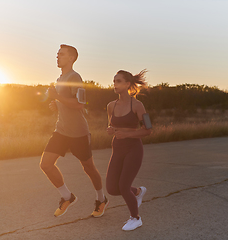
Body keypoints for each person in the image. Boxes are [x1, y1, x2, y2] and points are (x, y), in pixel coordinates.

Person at [40, 44, 108, 218]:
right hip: (61, 130)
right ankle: (67, 196)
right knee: (46, 164)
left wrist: (56, 97)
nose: (57, 57)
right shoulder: (60, 78)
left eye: (61, 54)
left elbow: (80, 104)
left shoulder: (75, 77)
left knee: (89, 168)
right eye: (57, 54)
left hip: (78, 132)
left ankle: (101, 199)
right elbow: (66, 101)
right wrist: (57, 104)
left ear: (71, 58)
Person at [106, 69, 152, 231]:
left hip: (133, 149)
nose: (115, 84)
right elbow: (111, 125)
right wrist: (111, 130)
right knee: (112, 188)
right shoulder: (111, 106)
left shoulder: (138, 105)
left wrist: (126, 134)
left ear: (127, 84)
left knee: (124, 186)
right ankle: (138, 192)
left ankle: (135, 218)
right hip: (117, 149)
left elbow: (148, 129)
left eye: (118, 81)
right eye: (114, 81)